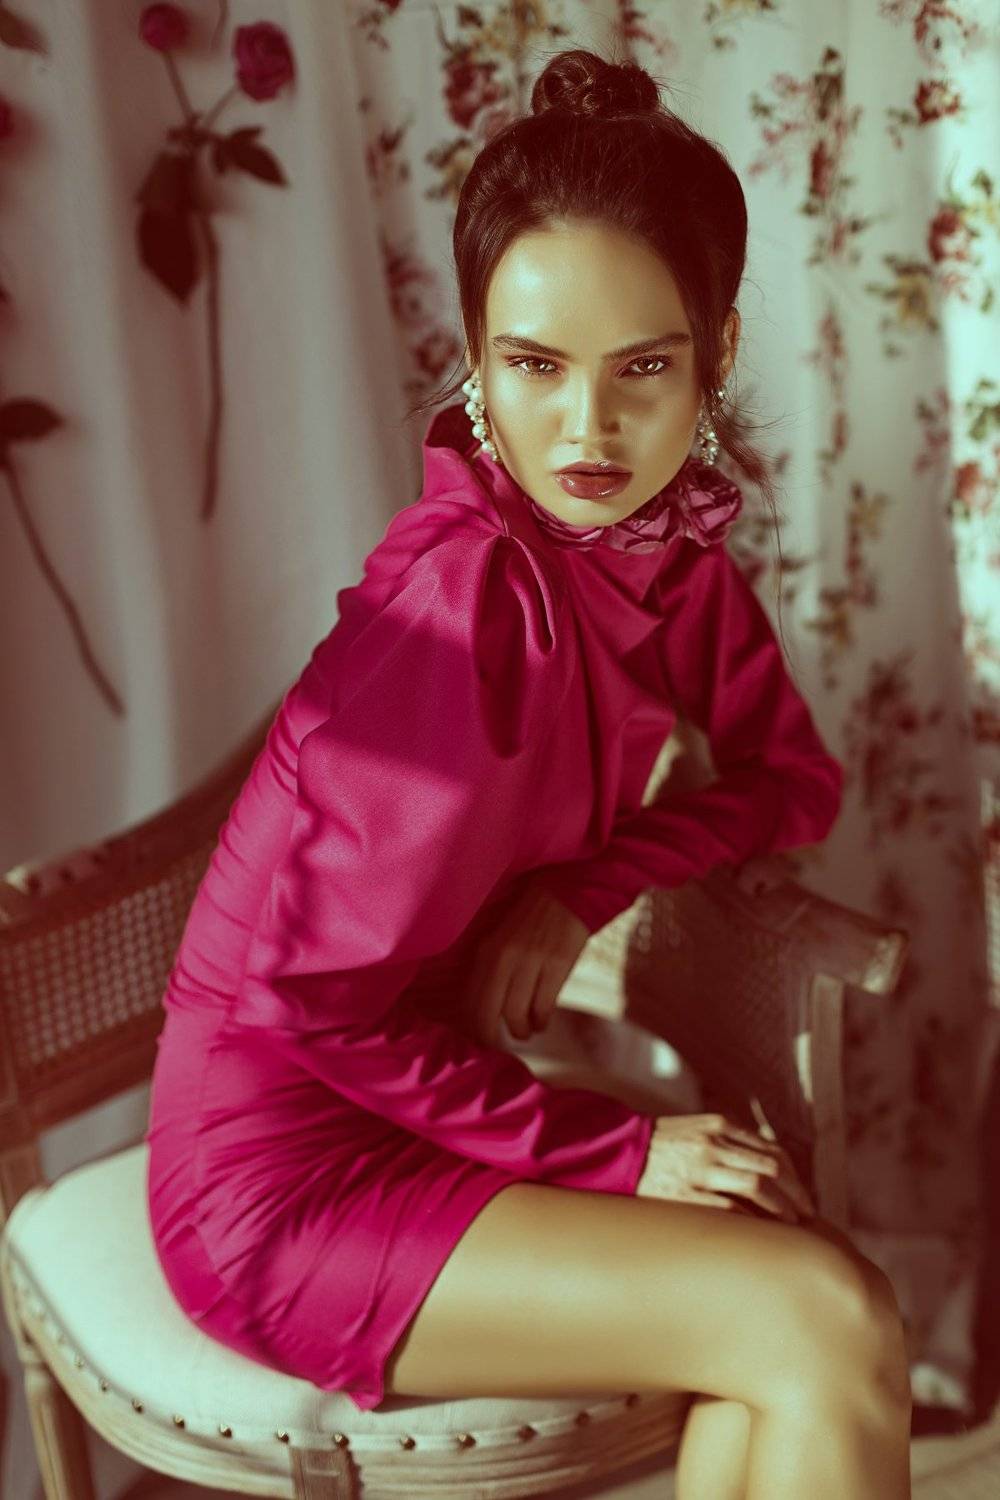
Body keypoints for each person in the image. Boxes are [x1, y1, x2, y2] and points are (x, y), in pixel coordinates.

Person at [145, 44, 912, 1499]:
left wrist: (582, 889)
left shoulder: (663, 555)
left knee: (801, 1315)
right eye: (536, 366)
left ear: (716, 354)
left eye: (644, 370)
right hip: (281, 1167)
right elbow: (308, 1005)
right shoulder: (462, 606)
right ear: (479, 354)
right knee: (825, 1312)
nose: (587, 431)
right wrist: (618, 1150)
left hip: (437, 1088)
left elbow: (790, 777)